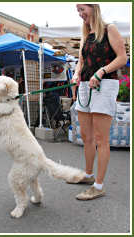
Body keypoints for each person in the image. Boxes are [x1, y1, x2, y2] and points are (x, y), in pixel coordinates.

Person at [69, 4, 127, 200]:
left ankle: (99, 185)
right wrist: (77, 74)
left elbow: (122, 58)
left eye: (82, 9)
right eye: (77, 10)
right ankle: (88, 175)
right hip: (85, 86)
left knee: (101, 139)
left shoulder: (109, 29)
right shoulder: (86, 33)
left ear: (94, 7)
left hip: (104, 85)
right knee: (86, 136)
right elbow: (81, 61)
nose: (80, 14)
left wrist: (101, 71)